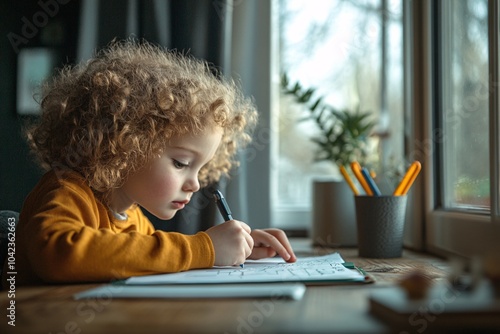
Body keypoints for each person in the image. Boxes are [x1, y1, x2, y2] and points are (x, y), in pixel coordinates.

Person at [4, 40, 296, 286]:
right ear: (125, 144)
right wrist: (204, 248)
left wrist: (238, 250)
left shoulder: (129, 215)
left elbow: (146, 254)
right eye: (181, 163)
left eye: (201, 168)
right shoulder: (68, 192)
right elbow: (58, 256)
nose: (195, 183)